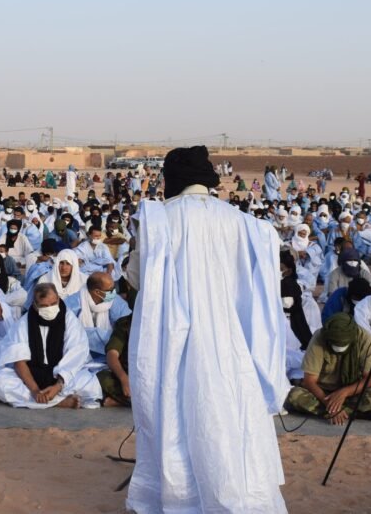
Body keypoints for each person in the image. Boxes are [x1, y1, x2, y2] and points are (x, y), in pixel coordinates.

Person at [127, 146, 288, 513]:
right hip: (232, 346)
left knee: (179, 416)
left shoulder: (158, 218)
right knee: (230, 418)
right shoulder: (248, 225)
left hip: (175, 343)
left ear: (171, 179)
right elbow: (261, 300)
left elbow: (138, 279)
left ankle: (183, 501)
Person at [0, 283, 101, 409]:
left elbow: (75, 355)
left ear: (58, 299)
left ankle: (46, 400)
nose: (49, 308)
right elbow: (19, 362)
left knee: (89, 382)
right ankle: (58, 402)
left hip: (61, 376)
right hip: (31, 375)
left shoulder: (70, 321)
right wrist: (35, 391)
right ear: (35, 305)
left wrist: (58, 386)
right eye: (44, 306)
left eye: (53, 304)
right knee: (1, 382)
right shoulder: (23, 324)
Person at [286, 313, 371, 424]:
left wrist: (344, 392)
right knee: (294, 396)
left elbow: (370, 379)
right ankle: (351, 413)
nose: (339, 347)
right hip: (323, 392)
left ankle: (331, 412)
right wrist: (331, 404)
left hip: (352, 392)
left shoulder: (365, 338)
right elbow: (309, 381)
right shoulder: (319, 337)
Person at [64, 271, 131, 356]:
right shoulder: (71, 304)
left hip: (113, 351)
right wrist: (100, 336)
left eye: (114, 288)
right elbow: (69, 333)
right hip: (80, 353)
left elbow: (127, 322)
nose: (114, 292)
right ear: (97, 292)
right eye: (110, 290)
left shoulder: (115, 301)